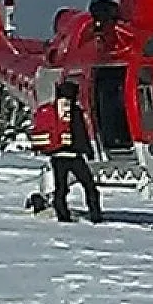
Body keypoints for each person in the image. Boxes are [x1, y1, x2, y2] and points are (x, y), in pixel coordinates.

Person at [51, 81, 103, 224]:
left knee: (60, 187)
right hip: (74, 156)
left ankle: (62, 214)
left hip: (57, 155)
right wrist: (88, 150)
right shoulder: (74, 111)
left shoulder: (54, 109)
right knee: (89, 185)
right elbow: (80, 132)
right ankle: (95, 214)